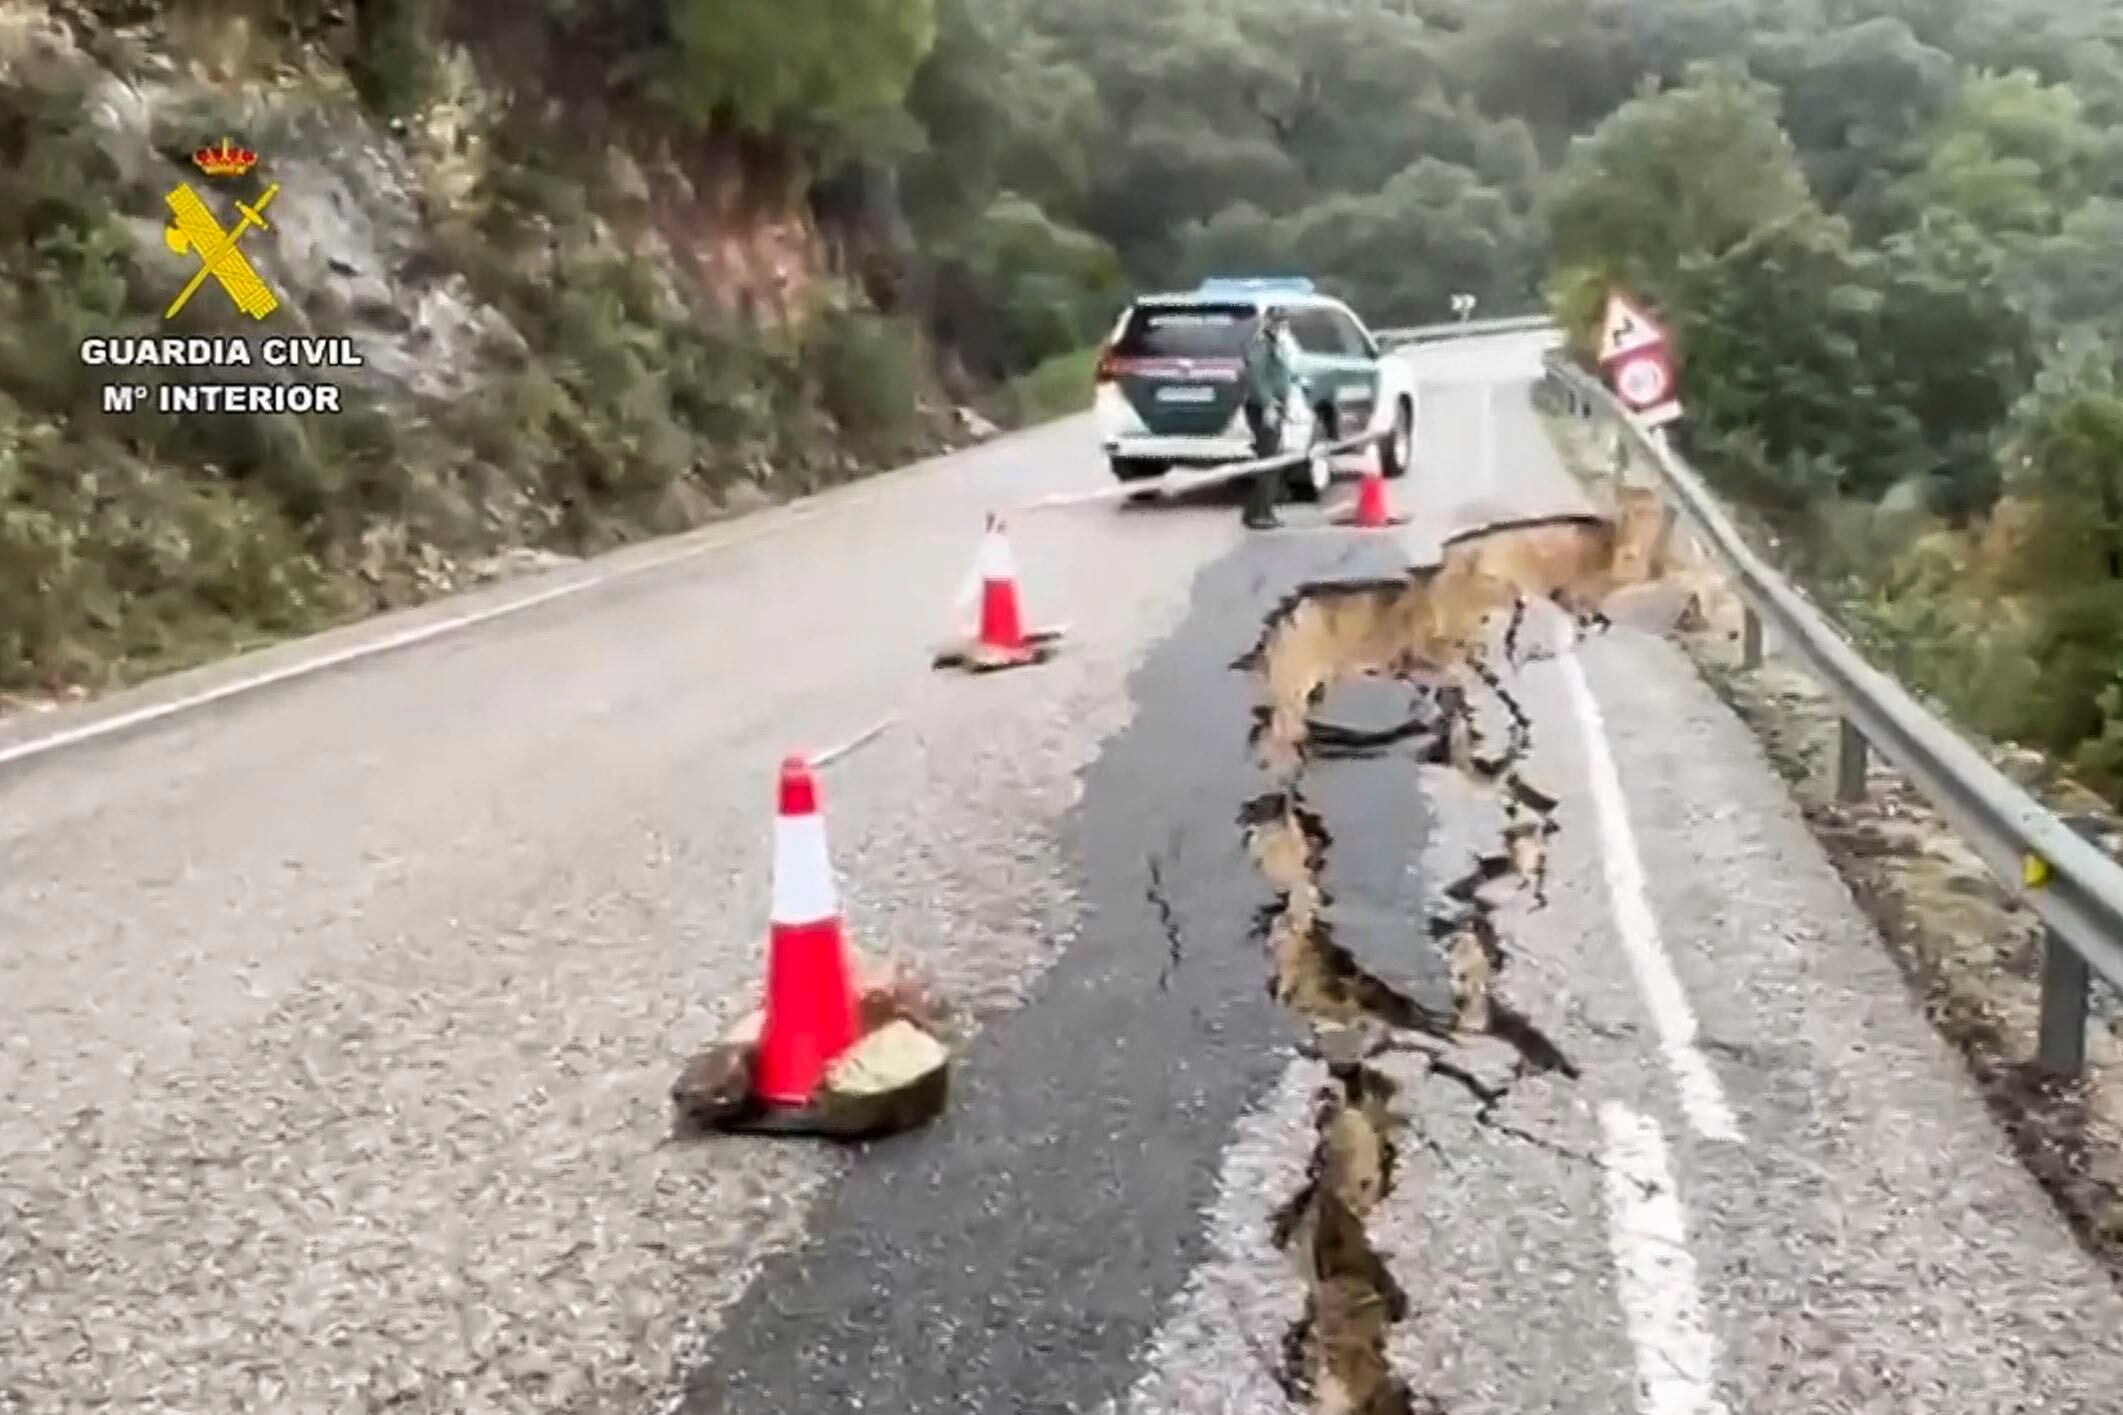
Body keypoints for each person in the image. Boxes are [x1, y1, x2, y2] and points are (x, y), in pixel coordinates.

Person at [1239, 306, 1304, 530]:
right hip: (1263, 408)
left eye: (1284, 322)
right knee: (1270, 463)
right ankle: (1261, 514)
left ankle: (1253, 512)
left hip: (1275, 407)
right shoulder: (1261, 343)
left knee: (1269, 460)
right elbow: (1255, 376)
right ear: (1267, 321)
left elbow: (1285, 372)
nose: (1280, 326)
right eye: (1277, 322)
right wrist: (1268, 405)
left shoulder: (1278, 344)